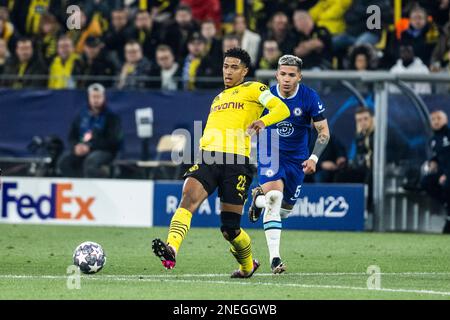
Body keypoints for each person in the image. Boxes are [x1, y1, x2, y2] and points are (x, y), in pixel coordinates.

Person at [152, 48, 291, 278]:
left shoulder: (256, 88)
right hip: (208, 157)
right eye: (226, 66)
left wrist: (262, 121)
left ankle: (247, 267)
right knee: (188, 196)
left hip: (237, 162)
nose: (228, 71)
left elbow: (281, 108)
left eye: (234, 67)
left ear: (244, 71)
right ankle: (172, 249)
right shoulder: (218, 98)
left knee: (230, 229)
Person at [247, 55, 330, 273]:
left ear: (299, 77)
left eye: (291, 75)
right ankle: (275, 258)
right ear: (276, 75)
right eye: (282, 74)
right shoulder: (265, 97)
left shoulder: (309, 97)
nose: (286, 79)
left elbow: (323, 132)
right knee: (275, 198)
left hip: (297, 158)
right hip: (270, 150)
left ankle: (258, 202)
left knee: (283, 211)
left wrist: (314, 158)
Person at [57, 83, 123, 178]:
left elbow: (113, 141)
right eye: (93, 97)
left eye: (98, 97)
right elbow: (72, 136)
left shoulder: (111, 117)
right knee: (64, 161)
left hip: (105, 151)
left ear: (104, 97)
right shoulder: (81, 116)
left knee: (91, 162)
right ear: (89, 98)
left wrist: (90, 147)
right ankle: (77, 187)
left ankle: (97, 187)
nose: (96, 100)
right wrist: (76, 147)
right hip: (83, 149)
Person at [421, 110, 450, 234]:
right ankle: (447, 204)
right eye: (433, 119)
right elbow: (437, 156)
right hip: (442, 172)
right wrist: (433, 162)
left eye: (439, 118)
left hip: (448, 173)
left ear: (446, 120)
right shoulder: (432, 140)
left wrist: (447, 174)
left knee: (447, 184)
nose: (436, 121)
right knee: (426, 181)